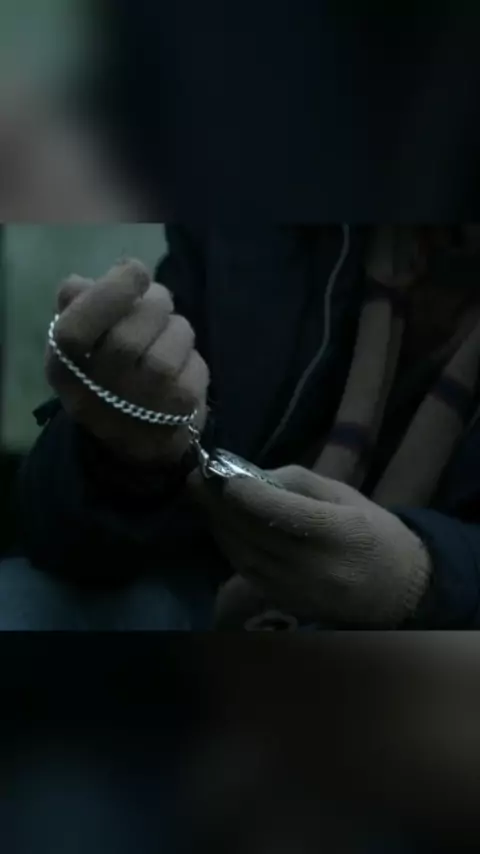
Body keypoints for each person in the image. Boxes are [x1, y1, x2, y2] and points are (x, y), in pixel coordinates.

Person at [6, 223, 480, 631]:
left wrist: (424, 581)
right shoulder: (247, 226)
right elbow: (55, 529)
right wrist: (117, 452)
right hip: (205, 593)